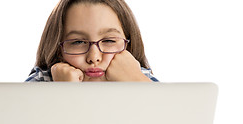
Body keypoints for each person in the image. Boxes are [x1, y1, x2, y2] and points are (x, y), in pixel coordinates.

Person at [26, 0, 158, 82]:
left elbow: (172, 121)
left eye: (109, 40)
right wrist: (64, 93)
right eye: (78, 42)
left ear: (128, 47)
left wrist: (136, 82)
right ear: (58, 50)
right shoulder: (43, 81)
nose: (94, 58)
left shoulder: (139, 78)